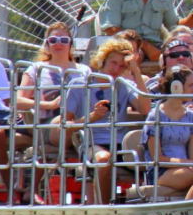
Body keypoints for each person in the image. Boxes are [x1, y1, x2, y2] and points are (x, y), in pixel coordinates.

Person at [0, 22, 91, 194]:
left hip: (79, 122)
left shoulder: (84, 71)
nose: (58, 43)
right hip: (48, 124)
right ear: (47, 44)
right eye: (53, 40)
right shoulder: (37, 70)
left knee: (78, 125)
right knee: (64, 123)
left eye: (64, 40)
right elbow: (18, 101)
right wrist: (48, 105)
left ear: (71, 44)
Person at [63, 39, 150, 204]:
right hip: (92, 144)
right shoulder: (79, 85)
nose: (116, 69)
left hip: (121, 145)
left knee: (154, 154)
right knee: (104, 159)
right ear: (102, 61)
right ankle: (105, 208)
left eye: (122, 66)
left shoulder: (125, 85)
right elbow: (65, 126)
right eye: (113, 63)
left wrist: (136, 71)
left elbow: (146, 110)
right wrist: (93, 117)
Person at [141, 66, 193, 200]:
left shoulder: (192, 116)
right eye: (191, 85)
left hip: (186, 167)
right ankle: (189, 214)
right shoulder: (156, 116)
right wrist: (187, 163)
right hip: (161, 171)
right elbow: (158, 159)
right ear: (176, 87)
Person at [145, 37, 193, 115]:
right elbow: (149, 110)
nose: (181, 57)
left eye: (186, 54)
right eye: (174, 55)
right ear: (163, 60)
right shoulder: (152, 84)